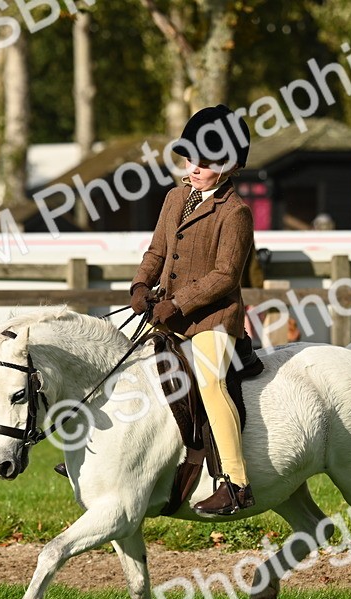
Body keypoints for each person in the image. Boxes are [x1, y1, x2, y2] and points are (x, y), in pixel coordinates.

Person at [129, 105, 255, 516]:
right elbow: (157, 251)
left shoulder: (235, 212)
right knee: (129, 369)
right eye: (191, 158)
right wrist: (140, 285)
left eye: (208, 162)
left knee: (210, 382)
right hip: (169, 314)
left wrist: (178, 303)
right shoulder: (174, 198)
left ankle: (236, 483)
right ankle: (120, 460)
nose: (196, 167)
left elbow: (225, 277)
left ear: (231, 165)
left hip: (213, 320)